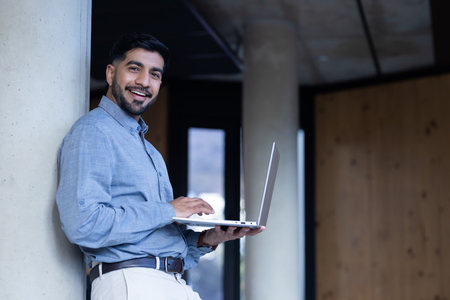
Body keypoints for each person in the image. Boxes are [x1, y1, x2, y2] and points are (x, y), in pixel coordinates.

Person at [56, 33, 264, 300]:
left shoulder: (148, 150)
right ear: (110, 74)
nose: (144, 81)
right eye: (134, 69)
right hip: (132, 282)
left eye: (155, 74)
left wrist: (207, 239)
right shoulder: (93, 131)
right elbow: (83, 224)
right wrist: (167, 210)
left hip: (168, 281)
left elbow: (154, 239)